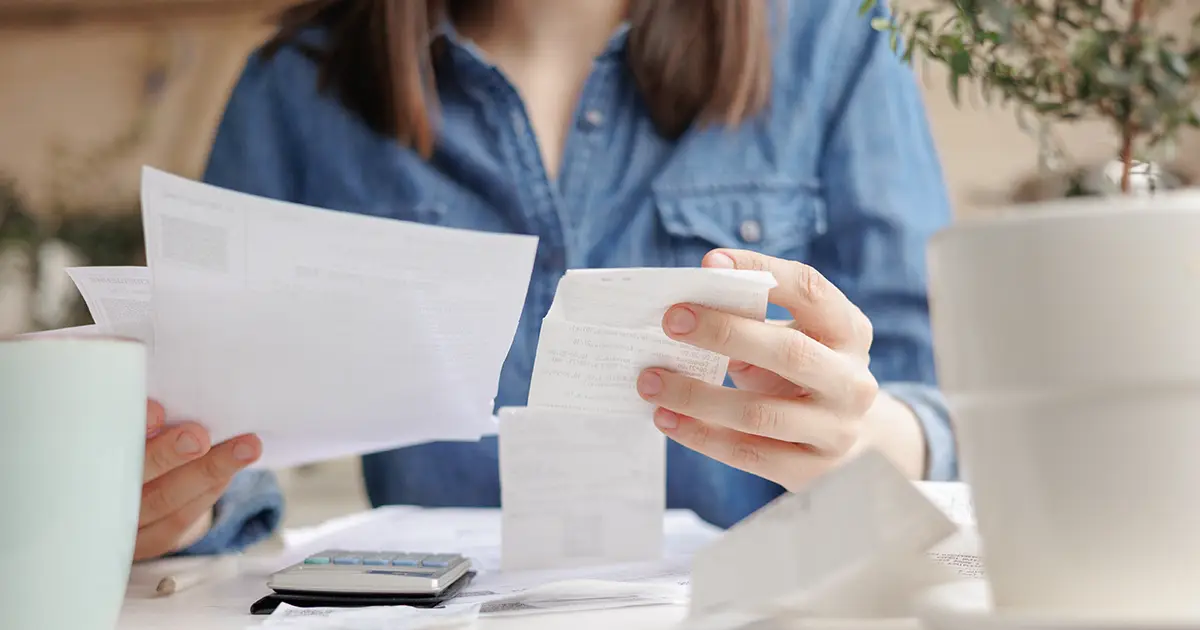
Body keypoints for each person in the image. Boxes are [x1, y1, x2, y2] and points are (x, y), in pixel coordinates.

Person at [133, 0, 958, 560]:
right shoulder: (296, 88)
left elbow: (949, 413)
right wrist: (177, 505)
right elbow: (215, 445)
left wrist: (865, 438)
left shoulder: (834, 36)